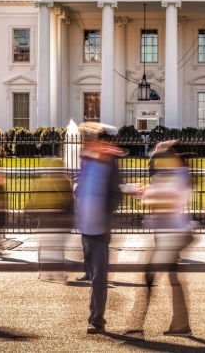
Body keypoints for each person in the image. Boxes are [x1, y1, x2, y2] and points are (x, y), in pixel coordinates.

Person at [125, 143, 194, 338]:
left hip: (172, 235)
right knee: (171, 279)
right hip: (170, 234)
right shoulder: (177, 173)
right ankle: (181, 325)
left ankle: (136, 326)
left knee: (149, 277)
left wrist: (148, 195)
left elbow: (169, 199)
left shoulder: (179, 175)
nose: (157, 164)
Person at [74, 125, 123, 335]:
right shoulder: (87, 161)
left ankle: (97, 319)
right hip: (85, 226)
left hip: (100, 227)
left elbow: (116, 194)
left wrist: (104, 213)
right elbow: (81, 187)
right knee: (93, 274)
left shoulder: (111, 164)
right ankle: (96, 315)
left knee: (99, 276)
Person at [26, 157, 73, 283]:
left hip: (43, 218)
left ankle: (44, 272)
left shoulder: (41, 181)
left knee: (44, 245)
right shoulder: (64, 182)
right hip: (58, 219)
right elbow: (69, 202)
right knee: (57, 247)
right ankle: (58, 274)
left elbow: (34, 201)